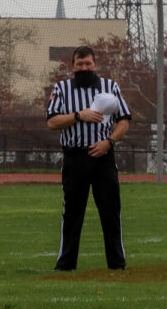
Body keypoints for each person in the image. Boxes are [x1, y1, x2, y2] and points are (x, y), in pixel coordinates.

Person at [46, 45, 132, 271]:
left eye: (88, 64)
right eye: (79, 64)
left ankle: (117, 264)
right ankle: (65, 264)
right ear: (72, 66)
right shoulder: (62, 88)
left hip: (103, 157)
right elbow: (52, 121)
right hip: (75, 157)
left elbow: (124, 120)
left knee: (111, 211)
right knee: (72, 212)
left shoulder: (109, 86)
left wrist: (109, 142)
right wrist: (78, 115)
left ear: (95, 65)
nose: (84, 67)